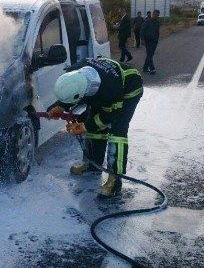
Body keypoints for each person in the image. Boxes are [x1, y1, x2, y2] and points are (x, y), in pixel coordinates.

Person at [48, 57, 143, 197]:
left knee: (118, 132)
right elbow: (74, 90)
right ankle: (92, 165)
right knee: (93, 124)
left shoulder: (110, 90)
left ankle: (115, 180)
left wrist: (84, 126)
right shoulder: (76, 72)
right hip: (102, 88)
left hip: (128, 91)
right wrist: (61, 105)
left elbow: (109, 116)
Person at [141, 9, 160, 74]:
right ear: (153, 14)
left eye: (158, 15)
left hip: (154, 41)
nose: (157, 16)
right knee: (149, 54)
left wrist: (157, 40)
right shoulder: (147, 21)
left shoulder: (157, 22)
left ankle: (145, 68)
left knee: (151, 54)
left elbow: (157, 32)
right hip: (148, 41)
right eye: (156, 14)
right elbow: (142, 30)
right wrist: (142, 40)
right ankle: (152, 69)